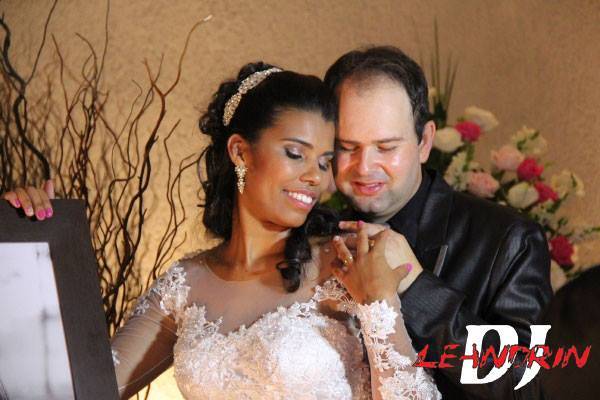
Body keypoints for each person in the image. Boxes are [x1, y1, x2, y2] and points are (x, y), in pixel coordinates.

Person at [3, 62, 442, 399]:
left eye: (325, 162)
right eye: (296, 154)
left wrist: (380, 302)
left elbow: (431, 384)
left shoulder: (351, 259)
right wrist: (24, 243)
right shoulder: (182, 285)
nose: (315, 177)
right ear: (240, 152)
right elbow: (81, 389)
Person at [323, 46, 553, 399]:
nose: (364, 167)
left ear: (425, 142)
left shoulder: (510, 240)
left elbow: (530, 384)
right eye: (347, 147)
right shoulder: (316, 235)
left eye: (386, 147)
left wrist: (416, 287)